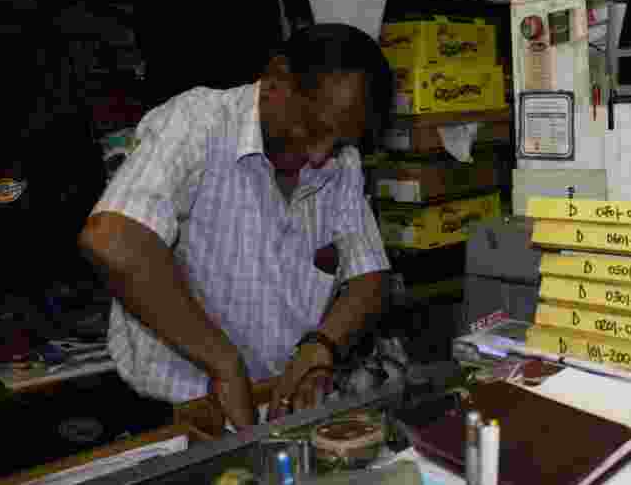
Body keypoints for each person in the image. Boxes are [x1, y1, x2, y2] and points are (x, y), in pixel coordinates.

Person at [78, 23, 395, 429]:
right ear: (277, 78)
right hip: (179, 413)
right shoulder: (197, 122)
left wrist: (320, 347)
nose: (319, 155)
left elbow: (370, 276)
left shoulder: (340, 162)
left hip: (271, 403)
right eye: (313, 129)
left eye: (338, 142)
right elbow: (111, 240)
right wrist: (224, 362)